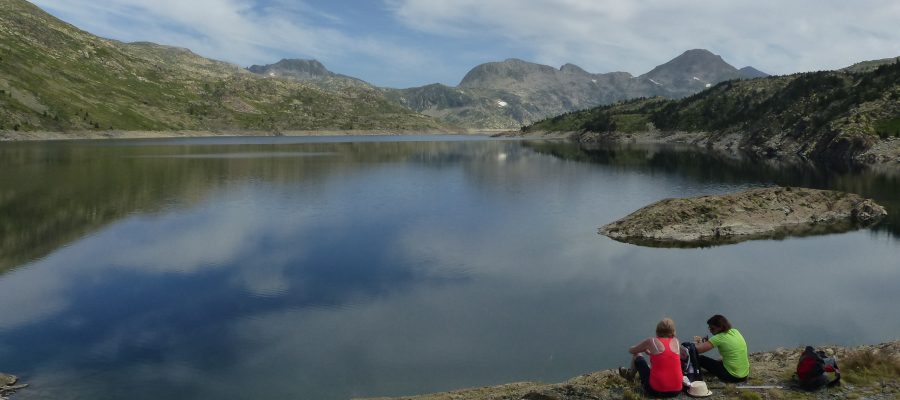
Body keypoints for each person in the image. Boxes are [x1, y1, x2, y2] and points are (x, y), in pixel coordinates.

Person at [625, 318, 687, 397]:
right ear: (673, 331)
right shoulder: (676, 342)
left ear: (657, 330)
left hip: (656, 391)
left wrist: (644, 348)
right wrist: (651, 352)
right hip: (677, 390)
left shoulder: (652, 341)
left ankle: (630, 377)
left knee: (637, 355)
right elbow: (666, 356)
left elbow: (632, 350)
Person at [693, 314, 749, 383]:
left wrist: (698, 343)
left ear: (720, 327)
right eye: (709, 328)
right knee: (719, 361)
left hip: (733, 376)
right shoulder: (735, 331)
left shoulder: (718, 338)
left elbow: (697, 350)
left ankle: (694, 375)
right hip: (744, 375)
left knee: (700, 358)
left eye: (712, 328)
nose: (710, 331)